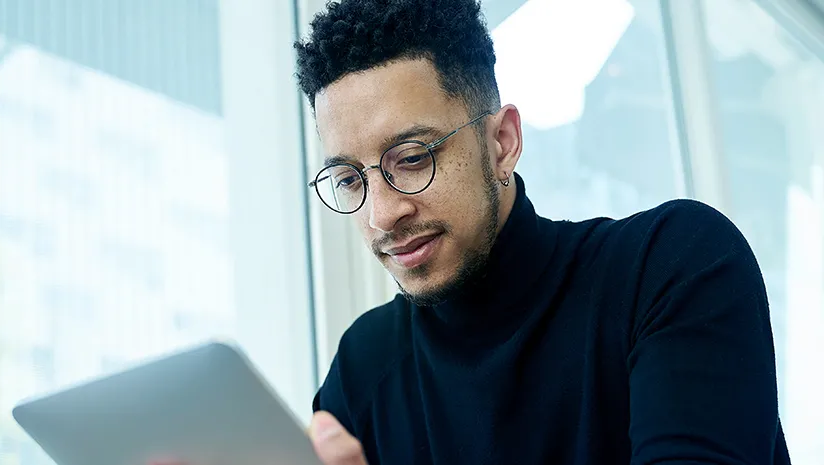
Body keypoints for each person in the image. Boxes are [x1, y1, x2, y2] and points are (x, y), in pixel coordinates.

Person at [157, 0, 790, 463]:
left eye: (411, 158)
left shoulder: (673, 264)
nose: (380, 215)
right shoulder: (365, 368)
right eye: (350, 179)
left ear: (502, 143)